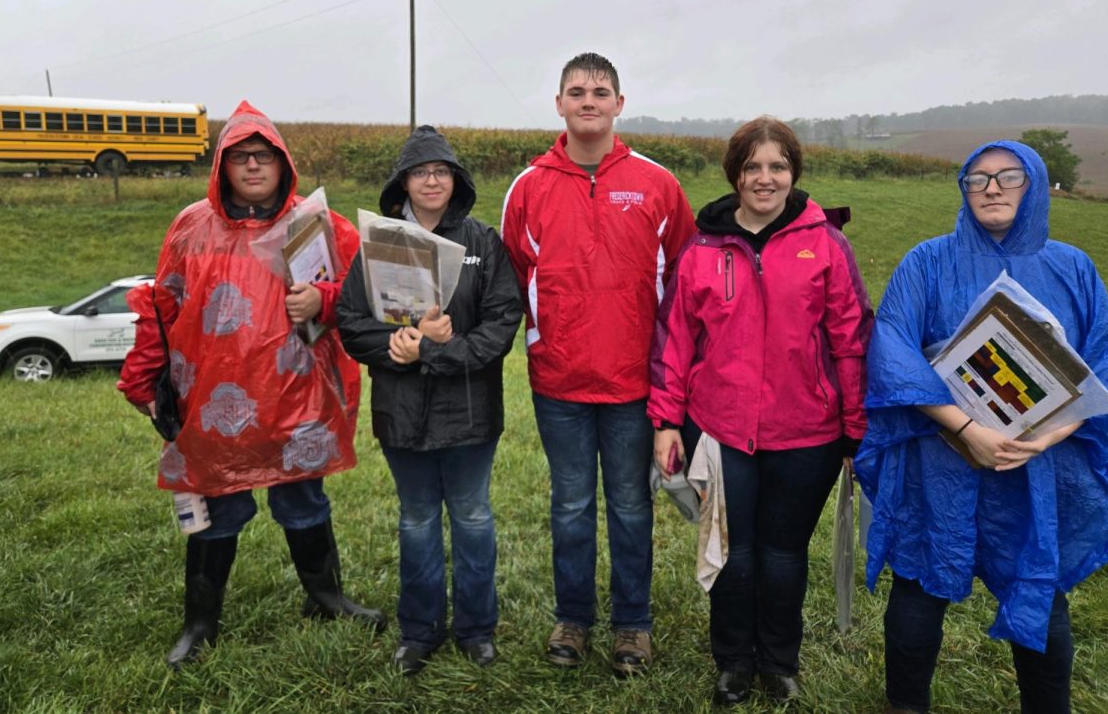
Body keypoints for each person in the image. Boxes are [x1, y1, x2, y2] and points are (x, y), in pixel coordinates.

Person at [855, 141, 1108, 714]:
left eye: (1008, 177)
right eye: (977, 178)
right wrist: (966, 428)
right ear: (963, 190)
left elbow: (1107, 363)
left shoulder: (1072, 267)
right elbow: (892, 348)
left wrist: (1048, 436)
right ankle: (905, 705)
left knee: (1041, 587)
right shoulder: (927, 261)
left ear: (1033, 184)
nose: (992, 188)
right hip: (941, 458)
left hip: (1037, 464)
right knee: (918, 583)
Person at [118, 101, 385, 669]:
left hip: (297, 394)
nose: (254, 166)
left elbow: (364, 293)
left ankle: (326, 597)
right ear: (222, 166)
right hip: (215, 397)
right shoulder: (192, 226)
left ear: (282, 162)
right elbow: (162, 306)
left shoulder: (316, 224)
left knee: (304, 498)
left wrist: (326, 299)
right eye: (241, 157)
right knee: (218, 505)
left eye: (264, 156)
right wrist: (142, 376)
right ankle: (201, 621)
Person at [648, 117, 873, 706]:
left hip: (807, 434)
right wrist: (667, 421)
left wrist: (856, 432)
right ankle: (732, 663)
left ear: (793, 173)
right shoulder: (701, 249)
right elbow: (674, 341)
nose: (765, 178)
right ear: (736, 174)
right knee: (733, 552)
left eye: (777, 166)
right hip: (720, 432)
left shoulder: (825, 243)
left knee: (781, 554)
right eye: (753, 167)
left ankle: (777, 662)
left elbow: (850, 340)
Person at [500, 52, 695, 676]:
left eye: (600, 90)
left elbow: (686, 286)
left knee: (633, 506)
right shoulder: (528, 186)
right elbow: (511, 281)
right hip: (558, 381)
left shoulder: (658, 183)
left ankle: (632, 626)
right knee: (571, 506)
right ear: (558, 104)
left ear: (619, 104)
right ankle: (574, 619)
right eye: (576, 91)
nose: (589, 100)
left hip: (636, 383)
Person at [337, 126, 523, 675]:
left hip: (469, 410)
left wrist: (439, 350)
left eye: (442, 171)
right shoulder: (380, 244)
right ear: (404, 183)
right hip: (402, 412)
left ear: (456, 180)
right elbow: (350, 321)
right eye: (421, 172)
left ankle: (476, 629)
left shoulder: (483, 243)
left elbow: (502, 321)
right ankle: (418, 632)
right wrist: (392, 347)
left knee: (471, 516)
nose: (432, 180)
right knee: (416, 519)